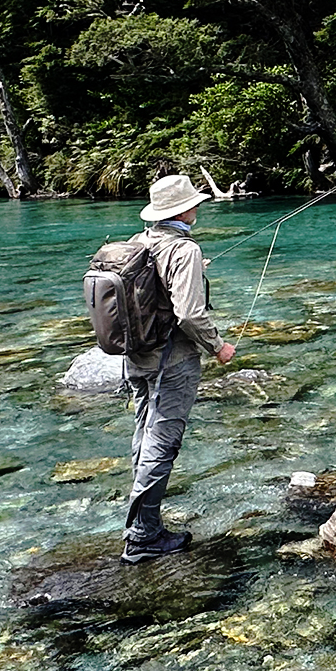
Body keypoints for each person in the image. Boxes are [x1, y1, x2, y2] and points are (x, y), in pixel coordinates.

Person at [120, 174, 236, 563]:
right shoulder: (183, 250)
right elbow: (189, 314)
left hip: (136, 357)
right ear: (183, 209)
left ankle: (141, 524)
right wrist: (218, 347)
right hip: (172, 361)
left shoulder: (140, 242)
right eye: (194, 202)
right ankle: (142, 536)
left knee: (145, 434)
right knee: (164, 441)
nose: (197, 206)